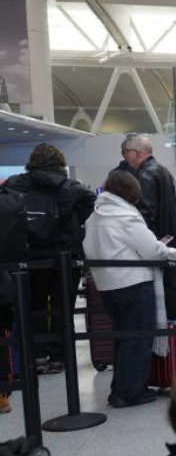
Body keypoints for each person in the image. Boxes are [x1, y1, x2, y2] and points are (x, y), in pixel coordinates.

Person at [83, 169, 176, 408]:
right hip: (133, 282)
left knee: (122, 337)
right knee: (138, 337)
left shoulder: (95, 215)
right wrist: (171, 252)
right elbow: (151, 250)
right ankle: (131, 392)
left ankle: (120, 387)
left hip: (107, 285)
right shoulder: (126, 215)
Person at [3, 144, 95, 373]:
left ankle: (35, 356)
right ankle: (58, 356)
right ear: (60, 162)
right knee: (62, 306)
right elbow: (91, 207)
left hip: (28, 255)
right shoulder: (73, 187)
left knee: (31, 306)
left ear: (32, 161)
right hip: (63, 255)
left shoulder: (16, 183)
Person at [118, 134, 176, 244]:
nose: (125, 156)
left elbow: (145, 213)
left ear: (135, 153)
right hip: (168, 236)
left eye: (126, 151)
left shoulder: (144, 175)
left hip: (155, 240)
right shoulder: (162, 170)